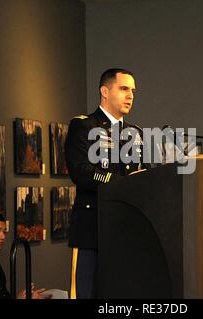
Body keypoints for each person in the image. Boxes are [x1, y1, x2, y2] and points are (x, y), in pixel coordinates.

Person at [65, 68, 149, 299]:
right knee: (87, 292)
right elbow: (81, 172)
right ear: (105, 91)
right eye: (124, 89)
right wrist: (120, 183)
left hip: (125, 229)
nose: (130, 95)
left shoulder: (137, 134)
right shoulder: (85, 126)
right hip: (92, 227)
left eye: (132, 90)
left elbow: (144, 175)